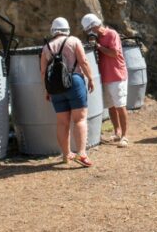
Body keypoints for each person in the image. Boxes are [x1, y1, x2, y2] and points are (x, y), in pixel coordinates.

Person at [40, 17, 95, 167]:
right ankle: (82, 154)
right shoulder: (74, 41)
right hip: (74, 81)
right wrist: (90, 78)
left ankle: (66, 154)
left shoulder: (46, 47)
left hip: (55, 87)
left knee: (62, 122)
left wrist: (47, 90)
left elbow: (43, 71)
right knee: (79, 119)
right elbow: (83, 61)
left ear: (53, 30)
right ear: (67, 29)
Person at [81, 14, 129, 148]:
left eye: (91, 29)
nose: (90, 32)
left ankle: (125, 136)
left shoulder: (112, 34)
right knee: (111, 107)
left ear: (95, 25)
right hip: (105, 77)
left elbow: (114, 53)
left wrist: (98, 47)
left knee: (120, 106)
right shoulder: (96, 38)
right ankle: (117, 132)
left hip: (117, 75)